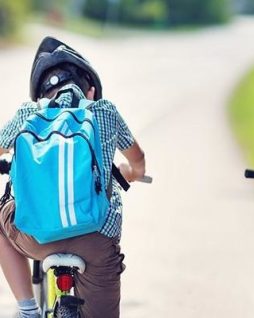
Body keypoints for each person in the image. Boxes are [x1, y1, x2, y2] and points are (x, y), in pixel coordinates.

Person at [0, 36, 146, 318]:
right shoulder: (105, 111)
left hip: (34, 238)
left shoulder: (28, 113)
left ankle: (27, 309)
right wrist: (133, 173)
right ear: (90, 91)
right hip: (96, 241)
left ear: (43, 94)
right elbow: (137, 160)